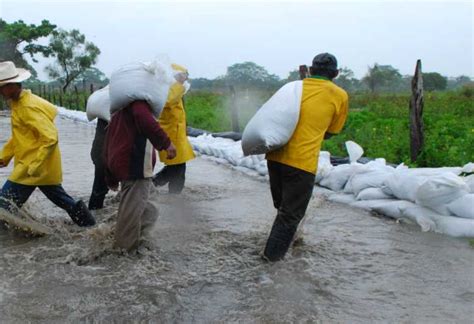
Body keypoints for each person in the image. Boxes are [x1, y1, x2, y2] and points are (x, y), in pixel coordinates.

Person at [263, 53, 349, 261]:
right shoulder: (339, 95)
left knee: (283, 209)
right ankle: (268, 267)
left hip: (274, 157)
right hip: (301, 162)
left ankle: (286, 245)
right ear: (336, 73)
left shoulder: (293, 88)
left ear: (310, 71)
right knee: (290, 215)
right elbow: (331, 132)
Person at [0, 61, 96, 227]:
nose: (0, 92)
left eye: (2, 87)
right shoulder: (19, 103)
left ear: (13, 85)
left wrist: (35, 166)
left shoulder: (28, 106)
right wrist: (4, 156)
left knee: (3, 205)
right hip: (39, 166)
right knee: (63, 200)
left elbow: (50, 137)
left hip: (31, 167)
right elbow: (19, 136)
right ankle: (91, 227)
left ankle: (11, 240)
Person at [104, 99, 176, 251]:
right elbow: (146, 122)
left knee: (150, 210)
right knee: (131, 214)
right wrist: (166, 143)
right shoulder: (138, 105)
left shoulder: (120, 109)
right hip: (135, 167)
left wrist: (109, 174)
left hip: (128, 165)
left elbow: (108, 142)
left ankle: (136, 240)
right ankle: (123, 253)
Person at [152, 64, 195, 194]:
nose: (185, 79)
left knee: (178, 167)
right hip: (171, 134)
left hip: (177, 134)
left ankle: (172, 195)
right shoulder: (167, 88)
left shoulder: (174, 89)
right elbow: (168, 101)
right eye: (183, 75)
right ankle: (152, 186)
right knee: (177, 168)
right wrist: (178, 83)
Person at [88, 117, 109, 210]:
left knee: (99, 187)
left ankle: (94, 213)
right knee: (100, 188)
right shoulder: (116, 108)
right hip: (104, 154)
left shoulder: (104, 113)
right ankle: (94, 216)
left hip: (99, 152)